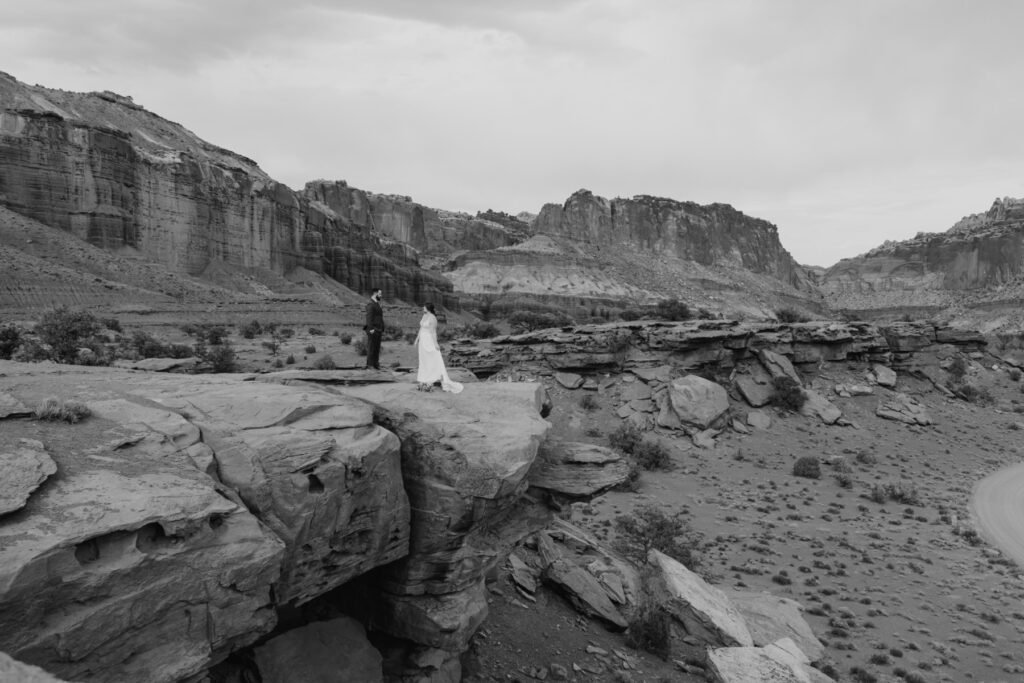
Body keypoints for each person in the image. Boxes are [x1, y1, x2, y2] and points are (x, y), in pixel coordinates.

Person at [414, 303, 463, 393]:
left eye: (424, 306)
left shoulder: (433, 318)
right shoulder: (424, 315)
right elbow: (421, 328)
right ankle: (422, 381)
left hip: (429, 341)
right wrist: (417, 340)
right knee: (423, 361)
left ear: (428, 308)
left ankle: (429, 383)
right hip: (422, 341)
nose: (422, 307)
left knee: (432, 360)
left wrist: (436, 343)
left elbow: (433, 332)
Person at [364, 287, 384, 370]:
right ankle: (370, 365)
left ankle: (376, 364)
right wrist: (371, 328)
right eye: (380, 294)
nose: (381, 296)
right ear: (375, 294)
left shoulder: (377, 303)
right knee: (371, 347)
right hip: (373, 329)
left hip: (378, 329)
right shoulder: (370, 304)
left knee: (376, 348)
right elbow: (369, 318)